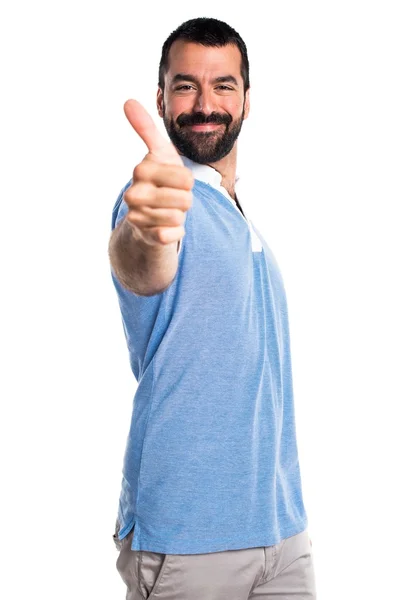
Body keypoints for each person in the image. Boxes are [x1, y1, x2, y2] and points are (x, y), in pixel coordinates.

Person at [108, 16, 317, 600]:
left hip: (282, 536)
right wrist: (148, 229)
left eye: (223, 85)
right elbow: (142, 259)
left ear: (246, 100)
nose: (205, 103)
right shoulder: (159, 203)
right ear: (161, 97)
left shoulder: (240, 217)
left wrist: (289, 527)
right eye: (185, 85)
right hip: (189, 543)